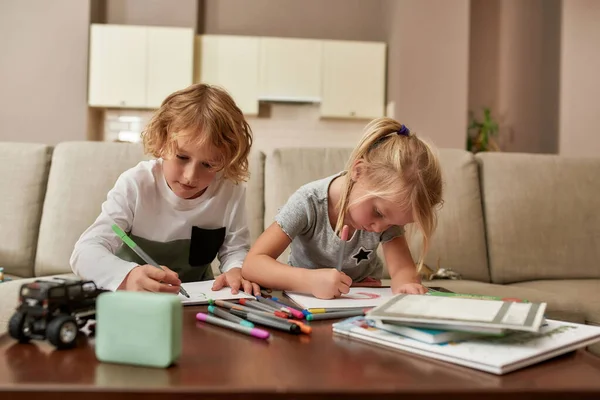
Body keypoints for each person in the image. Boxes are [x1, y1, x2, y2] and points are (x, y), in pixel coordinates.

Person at [70, 83, 261, 296]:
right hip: (136, 299)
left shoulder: (229, 191)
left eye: (208, 165)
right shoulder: (136, 184)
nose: (190, 176)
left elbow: (235, 249)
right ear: (162, 141)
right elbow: (84, 253)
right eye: (182, 157)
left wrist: (235, 269)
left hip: (196, 302)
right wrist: (129, 275)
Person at [242, 117, 443, 299]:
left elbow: (402, 271)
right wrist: (309, 281)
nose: (381, 228)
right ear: (359, 171)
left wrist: (407, 286)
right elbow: (253, 264)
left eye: (395, 223)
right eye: (378, 213)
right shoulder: (307, 202)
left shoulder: (387, 214)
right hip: (304, 302)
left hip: (358, 303)